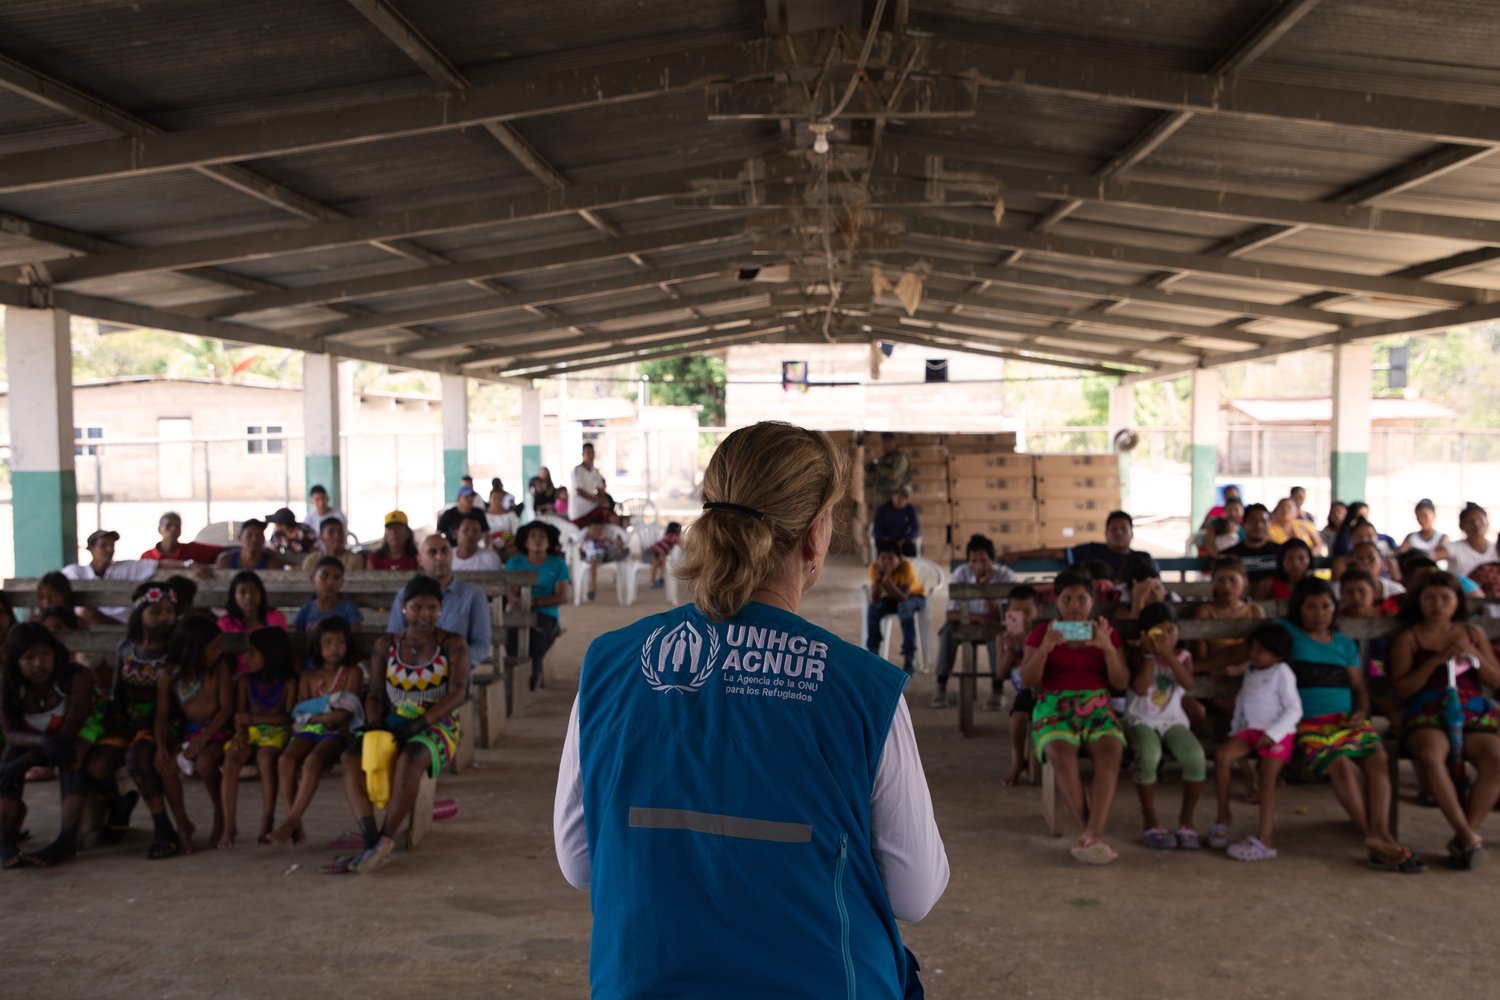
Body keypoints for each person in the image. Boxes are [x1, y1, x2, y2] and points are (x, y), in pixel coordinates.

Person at [553, 421, 947, 997]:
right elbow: (915, 891)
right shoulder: (864, 687)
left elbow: (578, 862)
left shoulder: (609, 667)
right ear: (815, 537)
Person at [332, 575, 471, 874]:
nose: (424, 615)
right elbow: (376, 694)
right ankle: (369, 835)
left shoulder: (453, 644)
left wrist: (421, 722)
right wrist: (373, 724)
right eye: (417, 607)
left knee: (411, 757)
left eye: (432, 608)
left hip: (440, 725)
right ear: (404, 608)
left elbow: (459, 693)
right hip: (395, 721)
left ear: (440, 610)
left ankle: (385, 840)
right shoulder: (386, 645)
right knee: (350, 756)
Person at [1280, 578, 1418, 870]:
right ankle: (1372, 835)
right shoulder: (1287, 635)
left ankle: (1380, 831)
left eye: (1326, 606)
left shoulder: (1344, 643)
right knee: (1340, 763)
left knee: (1377, 757)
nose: (1319, 613)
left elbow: (1359, 686)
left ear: (1335, 608)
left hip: (1346, 720)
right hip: (1309, 724)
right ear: (1298, 609)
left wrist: (1362, 709)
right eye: (1311, 607)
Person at [1388, 571, 1500, 870]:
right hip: (1426, 711)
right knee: (1430, 754)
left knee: (1496, 760)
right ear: (1419, 602)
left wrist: (1474, 653)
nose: (1437, 604)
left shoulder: (1472, 634)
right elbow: (1402, 688)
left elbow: (1496, 679)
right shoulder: (1409, 637)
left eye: (1445, 598)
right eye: (1429, 598)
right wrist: (1436, 662)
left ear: (1456, 602)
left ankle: (1463, 836)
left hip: (1472, 711)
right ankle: (1467, 836)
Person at [1018, 570, 1129, 864]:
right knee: (1059, 752)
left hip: (1097, 707)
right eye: (1067, 599)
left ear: (1092, 601)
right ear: (1057, 602)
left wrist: (1107, 649)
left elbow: (1120, 682)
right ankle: (1092, 834)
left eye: (1082, 598)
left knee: (1111, 751)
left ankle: (1091, 834)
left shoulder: (1105, 633)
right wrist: (1045, 649)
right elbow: (1028, 680)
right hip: (1054, 706)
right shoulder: (1043, 633)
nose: (1075, 605)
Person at [0, 623, 98, 868]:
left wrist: (26, 761)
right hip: (35, 739)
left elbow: (68, 733)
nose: (39, 664)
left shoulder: (75, 677)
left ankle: (67, 839)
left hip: (78, 735)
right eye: (28, 658)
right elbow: (11, 732)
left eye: (45, 655)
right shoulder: (7, 682)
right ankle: (4, 835)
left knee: (70, 757)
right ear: (15, 661)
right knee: (10, 757)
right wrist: (40, 742)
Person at [1207, 623, 1301, 862]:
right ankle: (1223, 816)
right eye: (1253, 648)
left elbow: (1294, 709)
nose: (1254, 654)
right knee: (1222, 757)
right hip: (1250, 731)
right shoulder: (1250, 669)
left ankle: (1265, 840)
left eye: (1262, 650)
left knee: (1266, 781)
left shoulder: (1283, 673)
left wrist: (1274, 734)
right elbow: (1242, 700)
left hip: (1278, 733)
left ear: (1278, 655)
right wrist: (1236, 730)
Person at [269, 616, 365, 846]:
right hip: (309, 730)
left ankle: (290, 822)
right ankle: (294, 820)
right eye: (328, 642)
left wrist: (315, 713)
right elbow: (298, 714)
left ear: (347, 645)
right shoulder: (307, 677)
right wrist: (325, 712)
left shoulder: (353, 673)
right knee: (285, 760)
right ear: (318, 647)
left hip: (338, 733)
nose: (334, 648)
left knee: (313, 761)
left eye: (340, 642)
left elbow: (344, 714)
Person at [1124, 602, 1205, 851]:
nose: (1166, 637)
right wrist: (1150, 655)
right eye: (1159, 633)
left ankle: (1186, 821)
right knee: (1149, 755)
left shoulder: (1183, 657)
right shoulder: (1136, 655)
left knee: (1195, 757)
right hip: (1140, 719)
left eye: (1171, 630)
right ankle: (1150, 819)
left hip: (1173, 719)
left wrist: (1169, 656)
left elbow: (1189, 684)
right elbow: (1139, 688)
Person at [155, 613, 233, 854]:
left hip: (217, 730)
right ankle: (182, 823)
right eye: (212, 648)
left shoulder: (219, 668)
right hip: (188, 732)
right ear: (193, 650)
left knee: (206, 763)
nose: (217, 652)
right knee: (165, 766)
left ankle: (221, 816)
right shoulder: (170, 676)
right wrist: (160, 747)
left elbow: (226, 708)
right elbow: (161, 716)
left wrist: (203, 738)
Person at [219, 627, 297, 848]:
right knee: (232, 758)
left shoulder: (288, 683)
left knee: (265, 759)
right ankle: (228, 825)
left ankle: (267, 819)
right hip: (249, 731)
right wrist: (241, 734)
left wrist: (250, 719)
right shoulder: (244, 682)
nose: (246, 657)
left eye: (252, 652)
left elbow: (287, 719)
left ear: (270, 654)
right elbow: (239, 717)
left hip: (275, 734)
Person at [385, 535, 492, 674]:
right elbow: (395, 637)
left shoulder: (473, 595)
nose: (439, 557)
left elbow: (481, 645)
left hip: (456, 672)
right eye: (432, 552)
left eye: (444, 551)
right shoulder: (405, 595)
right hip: (411, 670)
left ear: (452, 556)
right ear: (420, 560)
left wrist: (451, 663)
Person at [932, 534, 1017, 708]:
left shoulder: (1007, 576)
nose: (978, 565)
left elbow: (1000, 617)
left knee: (998, 634)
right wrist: (978, 618)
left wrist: (985, 589)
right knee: (947, 631)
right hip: (966, 622)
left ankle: (997, 690)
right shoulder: (961, 572)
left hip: (993, 625)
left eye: (984, 561)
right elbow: (951, 613)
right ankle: (940, 687)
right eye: (973, 561)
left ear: (993, 560)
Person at [504, 521, 571, 691]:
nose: (537, 540)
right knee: (511, 636)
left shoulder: (558, 565)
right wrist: (516, 603)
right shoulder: (514, 563)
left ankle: (532, 674)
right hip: (518, 612)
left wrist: (533, 603)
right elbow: (511, 592)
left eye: (542, 537)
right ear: (525, 543)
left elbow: (562, 596)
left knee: (537, 637)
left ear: (549, 543)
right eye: (533, 536)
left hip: (545, 614)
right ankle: (515, 676)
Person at [1006, 510, 1148, 578]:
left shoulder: (1142, 559)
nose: (1119, 533)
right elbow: (1054, 552)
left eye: (1124, 529)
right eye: (1114, 529)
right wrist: (1019, 554)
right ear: (1106, 533)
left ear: (1132, 533)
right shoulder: (1091, 551)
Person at [62, 529, 158, 624]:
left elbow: (159, 564)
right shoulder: (75, 571)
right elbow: (83, 613)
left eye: (112, 545)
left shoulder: (124, 568)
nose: (109, 549)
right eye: (103, 545)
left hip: (124, 625)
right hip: (93, 629)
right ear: (91, 549)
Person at [998, 586, 1041, 784]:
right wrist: (1009, 649)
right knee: (1018, 717)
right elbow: (1000, 673)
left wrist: (1027, 645)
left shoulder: (1043, 636)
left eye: (1027, 611)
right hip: (1025, 692)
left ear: (1037, 611)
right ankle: (1018, 760)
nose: (1022, 617)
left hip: (1043, 688)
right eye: (1016, 612)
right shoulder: (1003, 638)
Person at [865, 540, 927, 673]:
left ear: (899, 558)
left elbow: (904, 598)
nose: (886, 562)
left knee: (904, 608)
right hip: (893, 599)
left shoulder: (906, 567)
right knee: (873, 609)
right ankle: (873, 651)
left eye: (891, 558)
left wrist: (888, 581)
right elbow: (875, 599)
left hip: (914, 597)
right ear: (878, 559)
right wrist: (877, 581)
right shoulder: (875, 568)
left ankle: (909, 657)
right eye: (883, 558)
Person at [294, 557, 364, 631]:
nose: (330, 582)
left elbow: (356, 639)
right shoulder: (305, 611)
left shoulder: (349, 609)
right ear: (312, 579)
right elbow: (299, 639)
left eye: (336, 578)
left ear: (342, 582)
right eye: (324, 576)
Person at [220, 570, 288, 641]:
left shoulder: (275, 618)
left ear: (261, 594)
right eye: (242, 592)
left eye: (254, 591)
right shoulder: (226, 623)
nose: (249, 596)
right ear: (233, 596)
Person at [1223, 504, 1281, 584]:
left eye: (1263, 521)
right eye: (1252, 521)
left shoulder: (1282, 552)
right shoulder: (1229, 556)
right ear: (1243, 524)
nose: (1258, 525)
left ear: (1270, 524)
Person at [140, 511, 222, 566]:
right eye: (168, 525)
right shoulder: (147, 556)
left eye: (177, 526)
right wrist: (188, 565)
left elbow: (221, 550)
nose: (173, 529)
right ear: (159, 530)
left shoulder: (193, 550)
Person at [569, 442, 614, 528]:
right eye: (588, 453)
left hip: (592, 508)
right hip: (579, 513)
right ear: (583, 454)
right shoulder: (577, 471)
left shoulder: (595, 471)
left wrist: (603, 498)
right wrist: (598, 500)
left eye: (592, 453)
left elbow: (600, 487)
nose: (591, 455)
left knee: (610, 514)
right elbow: (579, 491)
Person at [1446, 502, 1494, 579]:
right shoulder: (1454, 548)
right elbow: (1431, 556)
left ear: (1487, 522)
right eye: (1470, 521)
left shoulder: (1497, 548)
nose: (1476, 524)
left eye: (1480, 520)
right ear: (1461, 526)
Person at [214, 519, 286, 572]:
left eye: (259, 536)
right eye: (249, 535)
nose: (254, 539)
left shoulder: (273, 564)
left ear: (264, 540)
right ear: (240, 538)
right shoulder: (225, 561)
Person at [580, 521, 626, 601]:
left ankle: (619, 553)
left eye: (599, 530)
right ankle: (593, 588)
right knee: (593, 562)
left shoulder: (604, 538)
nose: (598, 531)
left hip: (605, 554)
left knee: (617, 548)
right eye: (595, 529)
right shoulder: (587, 537)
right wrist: (601, 538)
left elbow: (611, 543)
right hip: (593, 556)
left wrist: (609, 541)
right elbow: (586, 536)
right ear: (589, 530)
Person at [300, 517, 367, 573]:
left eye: (340, 531)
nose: (337, 536)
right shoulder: (311, 561)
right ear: (321, 536)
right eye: (331, 532)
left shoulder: (354, 559)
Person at [863, 430, 911, 506]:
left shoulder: (900, 458)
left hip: (893, 499)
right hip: (881, 497)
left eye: (883, 443)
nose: (881, 446)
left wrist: (877, 467)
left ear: (891, 443)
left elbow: (894, 474)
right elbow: (874, 479)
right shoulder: (885, 458)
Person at [871, 487, 920, 557]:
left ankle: (907, 567)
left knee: (911, 551)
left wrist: (905, 539)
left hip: (903, 539)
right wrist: (888, 539)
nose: (901, 500)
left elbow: (916, 529)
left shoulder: (911, 510)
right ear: (893, 496)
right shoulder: (882, 510)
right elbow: (877, 530)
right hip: (887, 539)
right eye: (898, 497)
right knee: (888, 552)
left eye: (904, 498)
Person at [649, 521, 682, 590]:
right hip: (656, 551)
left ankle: (656, 580)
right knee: (660, 563)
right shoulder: (673, 537)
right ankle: (659, 580)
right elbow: (681, 544)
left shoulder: (667, 536)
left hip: (656, 551)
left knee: (659, 564)